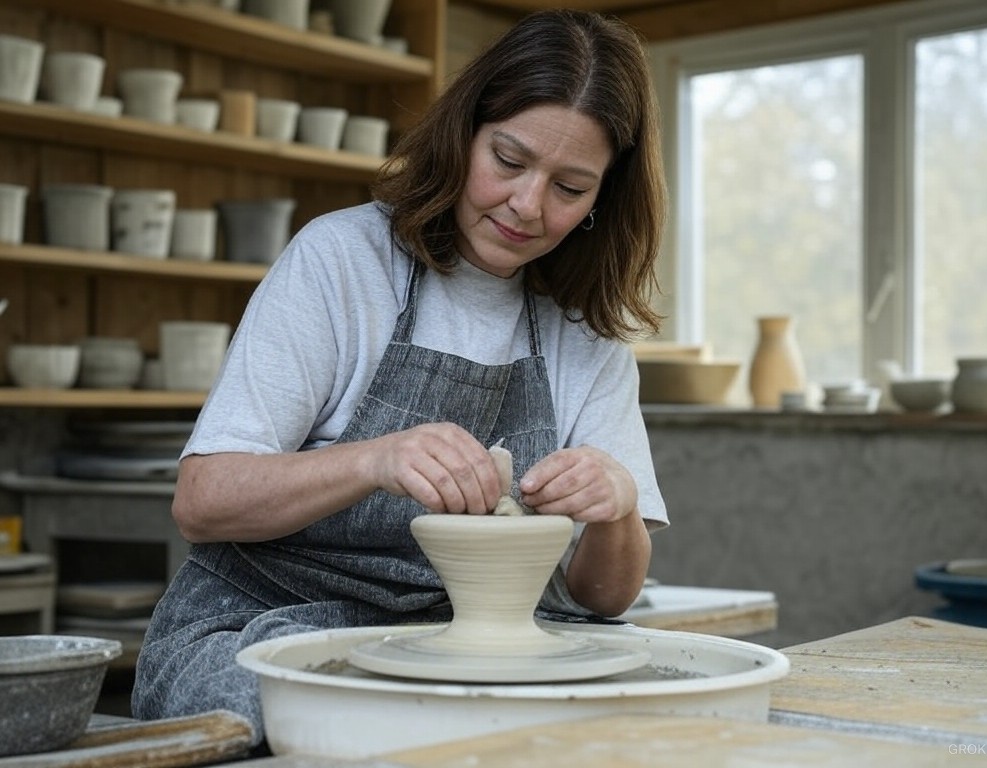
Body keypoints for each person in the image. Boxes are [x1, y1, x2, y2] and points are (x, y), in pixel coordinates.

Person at [132, 8, 670, 744]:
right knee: (381, 727)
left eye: (570, 187)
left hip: (462, 651)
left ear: (603, 198)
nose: (527, 204)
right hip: (261, 632)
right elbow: (201, 502)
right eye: (508, 161)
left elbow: (606, 597)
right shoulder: (341, 261)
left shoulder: (585, 333)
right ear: (464, 133)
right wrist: (375, 458)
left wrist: (617, 506)